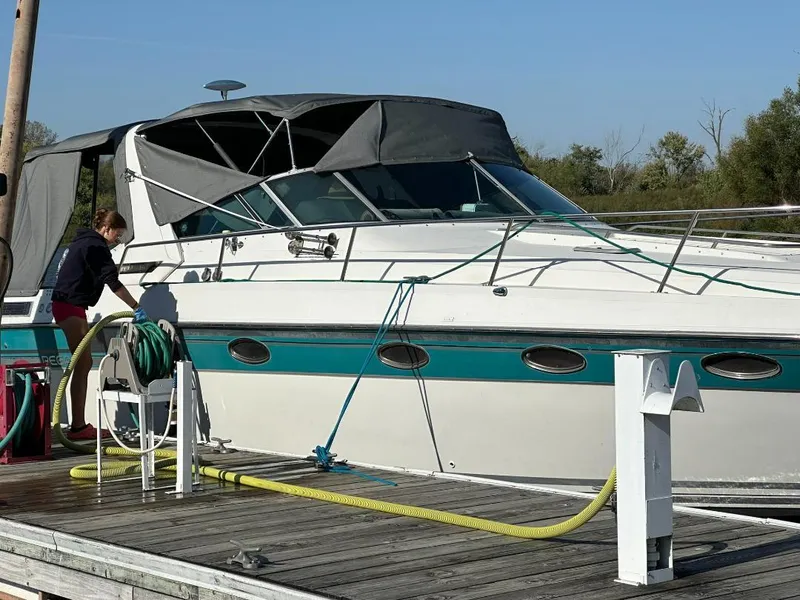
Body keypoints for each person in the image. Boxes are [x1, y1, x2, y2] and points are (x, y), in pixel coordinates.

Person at [51, 208, 148, 441]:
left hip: (67, 306)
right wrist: (136, 307)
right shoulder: (96, 247)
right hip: (70, 306)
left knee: (83, 363)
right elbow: (112, 282)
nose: (118, 239)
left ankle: (77, 425)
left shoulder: (83, 242)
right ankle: (78, 427)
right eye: (118, 234)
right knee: (83, 363)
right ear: (106, 229)